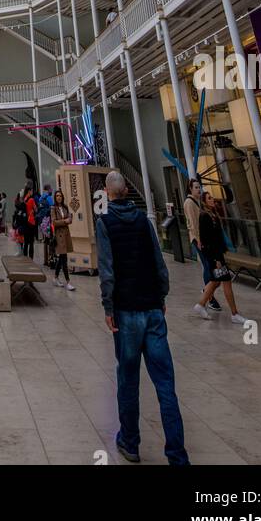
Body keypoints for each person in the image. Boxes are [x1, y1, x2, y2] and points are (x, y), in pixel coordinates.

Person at [96, 171, 189, 466]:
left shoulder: (105, 222)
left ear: (108, 193)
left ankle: (130, 442)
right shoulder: (144, 221)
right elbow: (159, 262)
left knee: (128, 379)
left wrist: (108, 307)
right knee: (165, 385)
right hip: (151, 308)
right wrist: (161, 297)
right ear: (125, 192)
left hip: (126, 311)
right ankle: (177, 454)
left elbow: (107, 270)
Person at [194, 191, 247, 324]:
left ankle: (200, 305)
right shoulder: (205, 216)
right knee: (225, 281)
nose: (213, 200)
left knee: (215, 282)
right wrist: (216, 259)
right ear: (205, 201)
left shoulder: (212, 215)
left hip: (216, 255)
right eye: (210, 198)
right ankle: (234, 313)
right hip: (214, 256)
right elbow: (208, 239)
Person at [184, 177, 220, 312]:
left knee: (208, 266)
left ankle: (208, 292)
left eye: (199, 187)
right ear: (190, 189)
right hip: (198, 239)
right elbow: (193, 223)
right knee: (207, 265)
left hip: (203, 239)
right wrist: (199, 240)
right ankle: (209, 296)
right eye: (196, 188)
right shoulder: (189, 203)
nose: (199, 190)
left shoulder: (196, 202)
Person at [51, 189, 76, 291]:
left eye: (60, 196)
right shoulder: (53, 208)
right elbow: (54, 222)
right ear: (55, 198)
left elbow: (69, 218)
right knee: (64, 258)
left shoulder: (65, 207)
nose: (59, 197)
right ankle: (68, 282)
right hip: (59, 236)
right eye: (57, 196)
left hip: (66, 235)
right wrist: (65, 221)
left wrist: (69, 219)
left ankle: (55, 277)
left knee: (62, 258)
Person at [22, 186, 37, 259]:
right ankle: (31, 258)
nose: (32, 192)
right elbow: (36, 209)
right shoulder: (31, 199)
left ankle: (25, 257)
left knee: (26, 241)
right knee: (31, 242)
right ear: (29, 191)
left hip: (25, 222)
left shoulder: (24, 199)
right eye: (32, 191)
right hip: (31, 221)